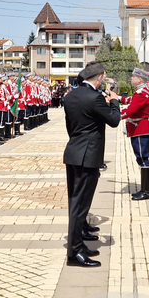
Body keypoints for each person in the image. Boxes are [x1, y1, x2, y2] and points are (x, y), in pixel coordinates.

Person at [62, 62, 121, 268]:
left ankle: (78, 245)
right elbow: (114, 120)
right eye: (103, 77)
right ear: (98, 77)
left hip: (74, 152)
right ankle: (74, 252)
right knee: (80, 206)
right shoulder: (95, 97)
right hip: (88, 156)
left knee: (76, 203)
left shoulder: (70, 96)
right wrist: (114, 101)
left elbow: (72, 126)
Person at [121, 68, 149, 201]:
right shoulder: (141, 91)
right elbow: (131, 100)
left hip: (141, 129)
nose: (131, 78)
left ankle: (146, 191)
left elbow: (131, 109)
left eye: (133, 76)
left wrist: (114, 117)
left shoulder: (141, 93)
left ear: (140, 79)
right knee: (141, 158)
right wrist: (116, 97)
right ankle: (145, 189)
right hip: (140, 128)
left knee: (142, 158)